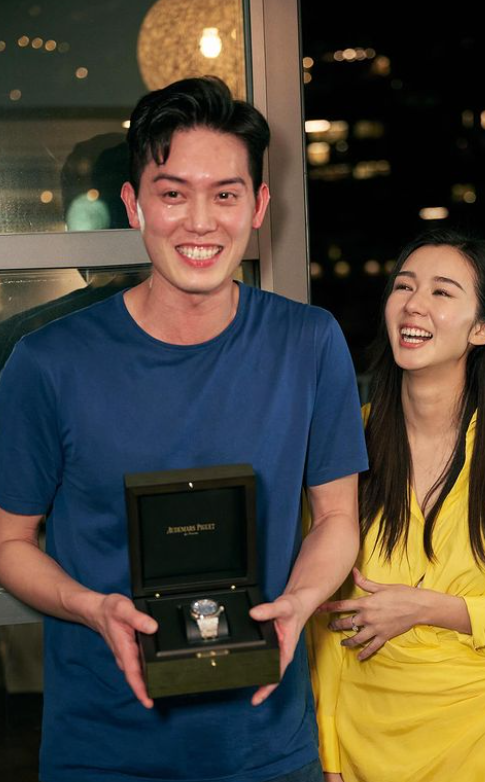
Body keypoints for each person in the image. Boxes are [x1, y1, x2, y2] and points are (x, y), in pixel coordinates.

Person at [0, 77, 368, 782]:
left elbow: (336, 520)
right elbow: (10, 540)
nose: (200, 222)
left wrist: (299, 602)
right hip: (101, 750)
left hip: (266, 747)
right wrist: (90, 607)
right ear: (134, 204)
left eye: (225, 194)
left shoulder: (309, 342)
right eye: (173, 194)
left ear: (258, 206)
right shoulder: (47, 362)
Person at [309, 229, 485, 782]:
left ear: (484, 328)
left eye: (441, 291)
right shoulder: (348, 437)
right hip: (365, 746)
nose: (414, 303)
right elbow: (324, 617)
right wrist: (328, 751)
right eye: (404, 286)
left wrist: (428, 608)